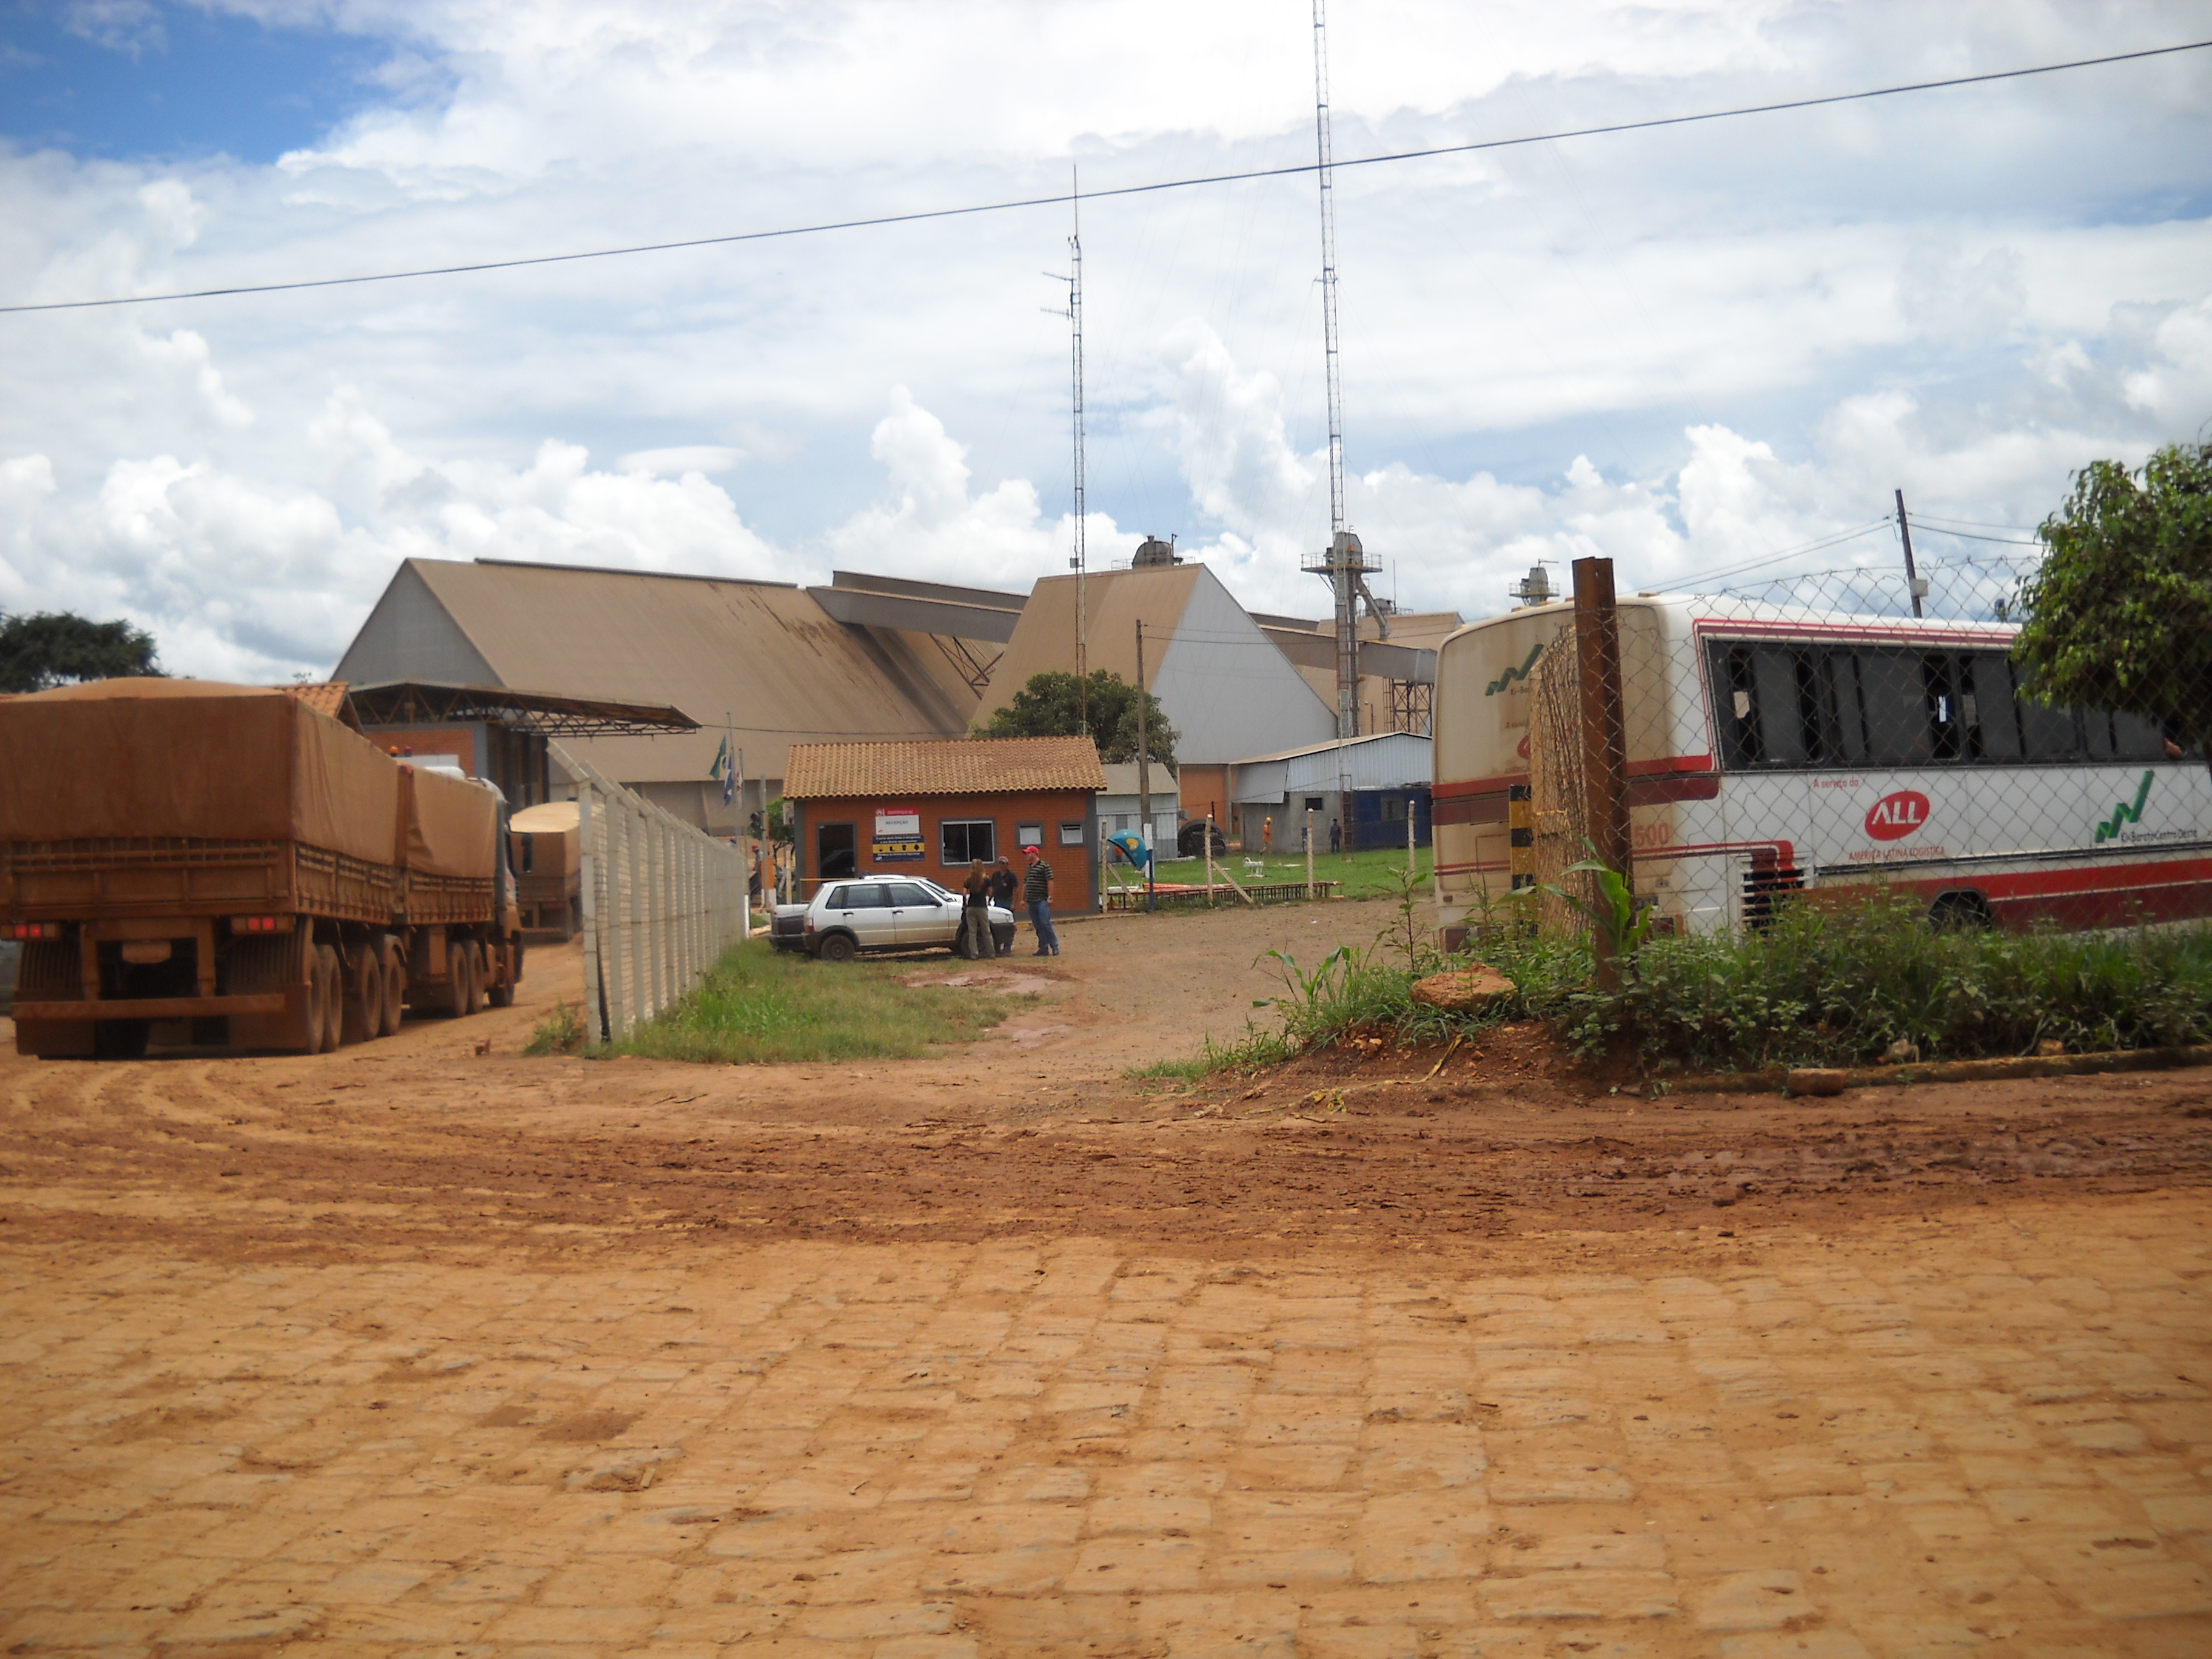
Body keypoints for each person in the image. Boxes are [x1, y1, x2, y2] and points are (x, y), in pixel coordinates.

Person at [1021, 843, 1059, 956]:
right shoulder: (1029, 868)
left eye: (1028, 853)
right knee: (1038, 925)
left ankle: (1055, 945)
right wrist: (1023, 899)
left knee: (1045, 923)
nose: (1027, 856)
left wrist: (1050, 897)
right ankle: (1043, 948)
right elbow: (1025, 884)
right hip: (1032, 900)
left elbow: (1050, 881)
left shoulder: (1044, 866)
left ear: (1034, 853)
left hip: (1041, 900)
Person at [960, 859, 992, 960]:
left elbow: (964, 894)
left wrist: (965, 904)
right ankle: (991, 953)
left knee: (972, 932)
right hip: (982, 907)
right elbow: (991, 892)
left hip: (971, 907)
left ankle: (974, 954)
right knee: (986, 931)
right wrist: (989, 900)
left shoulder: (969, 880)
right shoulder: (986, 879)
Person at [988, 856, 1018, 955]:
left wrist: (1014, 903)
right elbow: (992, 888)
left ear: (1007, 865)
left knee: (1009, 925)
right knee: (997, 924)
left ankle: (1008, 947)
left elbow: (1016, 889)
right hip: (997, 901)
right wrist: (990, 900)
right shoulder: (996, 875)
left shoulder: (1011, 875)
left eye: (1004, 863)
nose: (1002, 865)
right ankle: (997, 947)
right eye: (1000, 863)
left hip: (1007, 901)